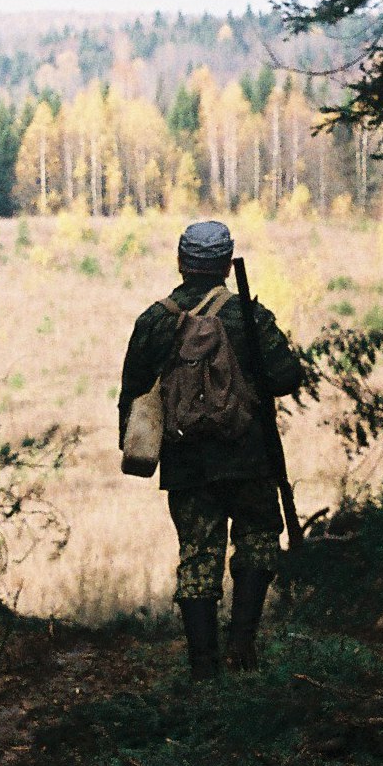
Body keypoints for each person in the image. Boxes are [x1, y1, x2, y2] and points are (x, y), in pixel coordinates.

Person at [119, 220, 303, 679]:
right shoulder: (248, 316)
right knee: (258, 539)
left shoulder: (154, 321)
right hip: (250, 457)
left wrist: (140, 446)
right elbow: (286, 377)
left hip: (187, 462)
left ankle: (204, 668)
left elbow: (132, 392)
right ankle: (243, 646)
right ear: (226, 263)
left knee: (197, 555)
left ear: (181, 262)